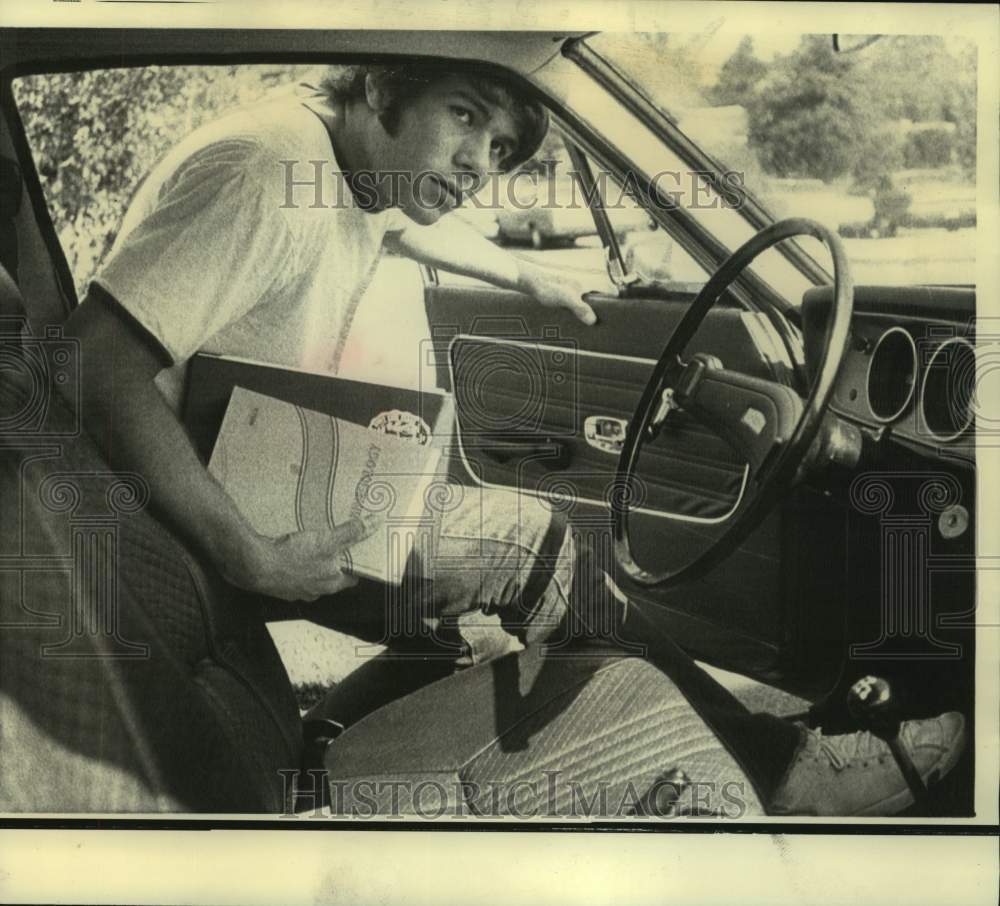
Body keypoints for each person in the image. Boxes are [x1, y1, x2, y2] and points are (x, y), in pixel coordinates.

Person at [59, 62, 965, 815]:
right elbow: (98, 361)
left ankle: (316, 756)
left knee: (466, 621)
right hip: (208, 515)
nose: (476, 164)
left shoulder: (338, 159)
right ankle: (789, 772)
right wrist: (253, 556)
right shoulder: (262, 173)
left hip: (248, 475)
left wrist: (525, 275)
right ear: (381, 85)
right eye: (464, 118)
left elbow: (399, 226)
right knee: (537, 548)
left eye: (498, 149)